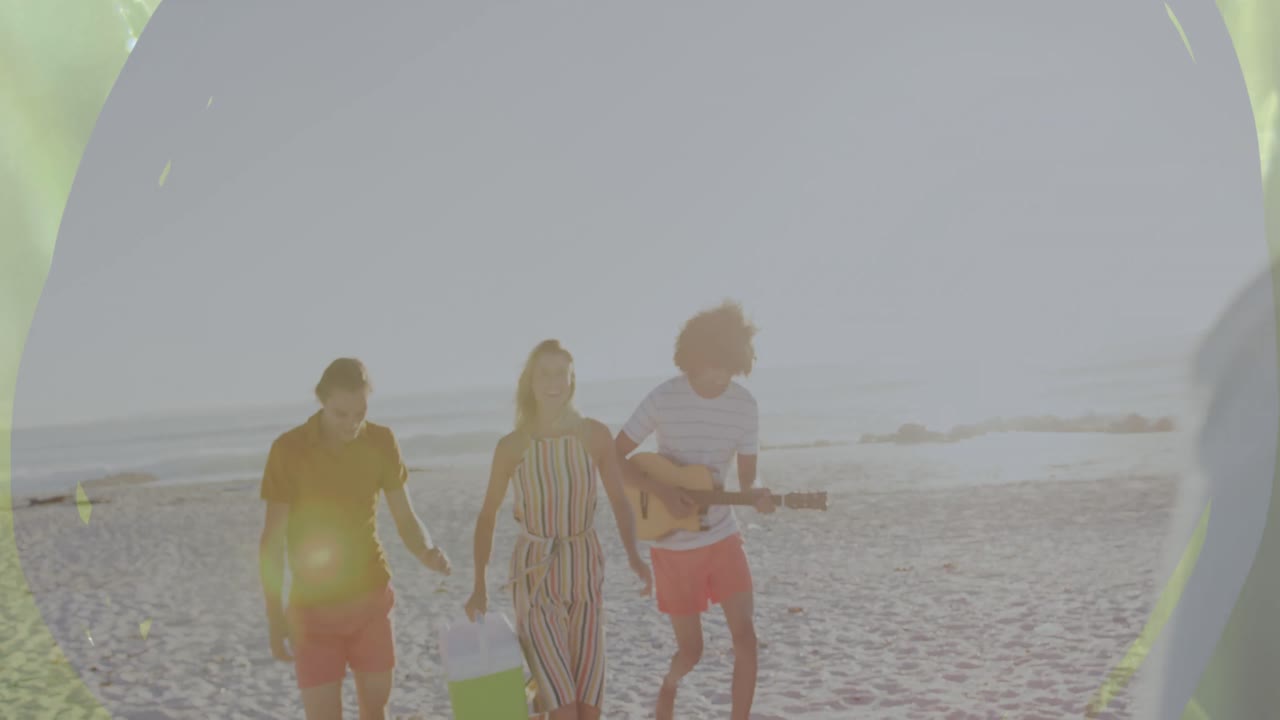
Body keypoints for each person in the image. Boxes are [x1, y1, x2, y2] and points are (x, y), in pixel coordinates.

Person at [465, 339, 653, 720]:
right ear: (530, 382)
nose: (553, 382)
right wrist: (479, 585)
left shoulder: (594, 435)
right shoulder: (512, 446)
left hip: (586, 572)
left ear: (572, 381)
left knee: (588, 708)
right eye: (544, 374)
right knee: (563, 708)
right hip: (535, 579)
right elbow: (487, 517)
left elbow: (619, 502)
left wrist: (635, 556)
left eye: (561, 374)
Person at [258, 358, 452, 720]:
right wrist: (274, 617)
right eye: (340, 413)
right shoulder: (288, 449)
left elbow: (406, 517)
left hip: (370, 602)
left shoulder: (381, 441)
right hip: (312, 612)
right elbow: (271, 543)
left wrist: (425, 550)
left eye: (359, 413)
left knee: (375, 711)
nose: (351, 423)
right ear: (321, 401)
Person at [613, 300, 776, 720]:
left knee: (746, 638)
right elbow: (614, 458)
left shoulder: (745, 406)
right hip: (671, 545)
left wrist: (758, 493)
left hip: (722, 536)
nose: (718, 375)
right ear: (693, 356)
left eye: (728, 365)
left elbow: (748, 479)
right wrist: (660, 492)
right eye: (711, 364)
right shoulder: (663, 398)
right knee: (692, 651)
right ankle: (669, 686)